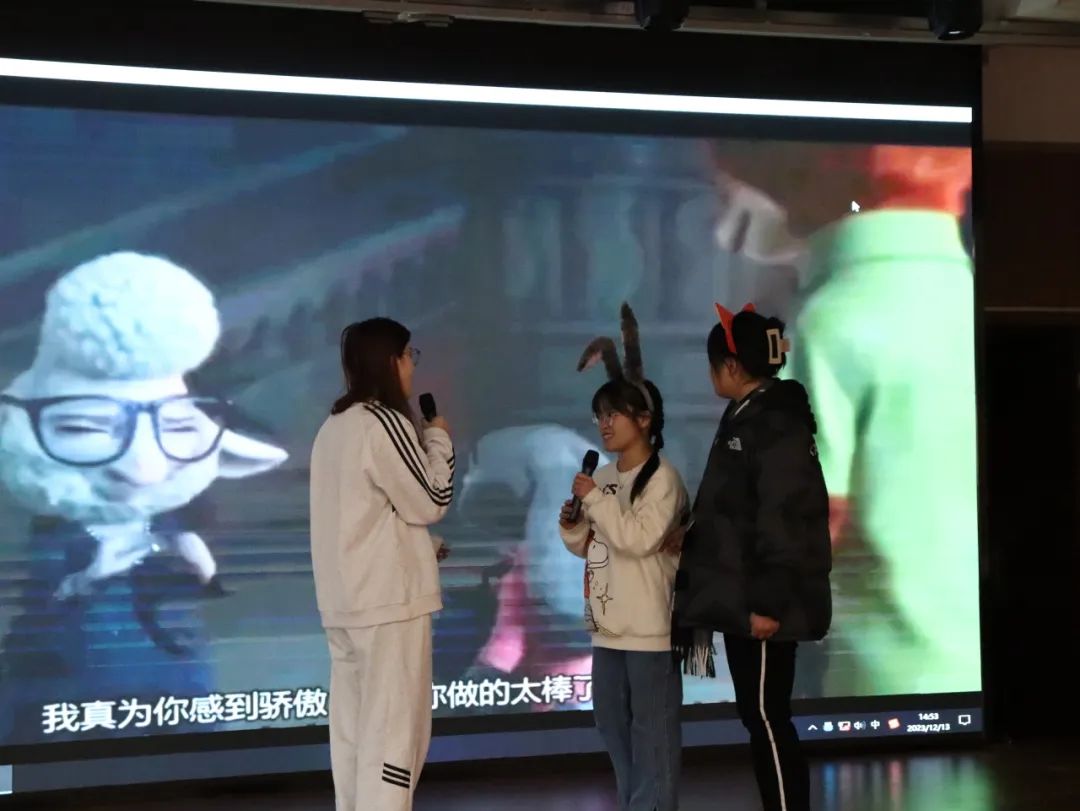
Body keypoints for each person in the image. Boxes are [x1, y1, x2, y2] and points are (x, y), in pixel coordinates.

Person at [0, 252, 287, 744]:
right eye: (84, 427)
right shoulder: (60, 532)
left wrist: (192, 559)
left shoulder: (165, 520)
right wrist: (95, 572)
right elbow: (52, 596)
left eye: (175, 427)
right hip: (77, 672)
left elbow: (186, 555)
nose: (143, 470)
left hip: (164, 657)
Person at [671, 304, 831, 811]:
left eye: (713, 364)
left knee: (767, 716)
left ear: (732, 366)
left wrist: (768, 603)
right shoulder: (749, 414)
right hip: (744, 598)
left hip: (764, 603)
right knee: (759, 716)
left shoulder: (774, 420)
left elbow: (785, 516)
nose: (712, 374)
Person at [309, 318, 454, 811]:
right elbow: (431, 499)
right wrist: (438, 440)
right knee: (393, 740)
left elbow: (362, 518)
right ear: (391, 361)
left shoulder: (333, 427)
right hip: (389, 606)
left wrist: (421, 548)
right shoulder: (384, 421)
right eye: (410, 355)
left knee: (353, 741)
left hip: (345, 605)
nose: (413, 365)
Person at [559, 303, 688, 811]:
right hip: (607, 628)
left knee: (652, 732)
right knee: (612, 725)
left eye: (613, 414)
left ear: (645, 419)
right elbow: (591, 545)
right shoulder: (606, 477)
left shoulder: (663, 479)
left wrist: (593, 500)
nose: (604, 424)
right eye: (600, 416)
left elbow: (639, 538)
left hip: (649, 629)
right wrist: (573, 523)